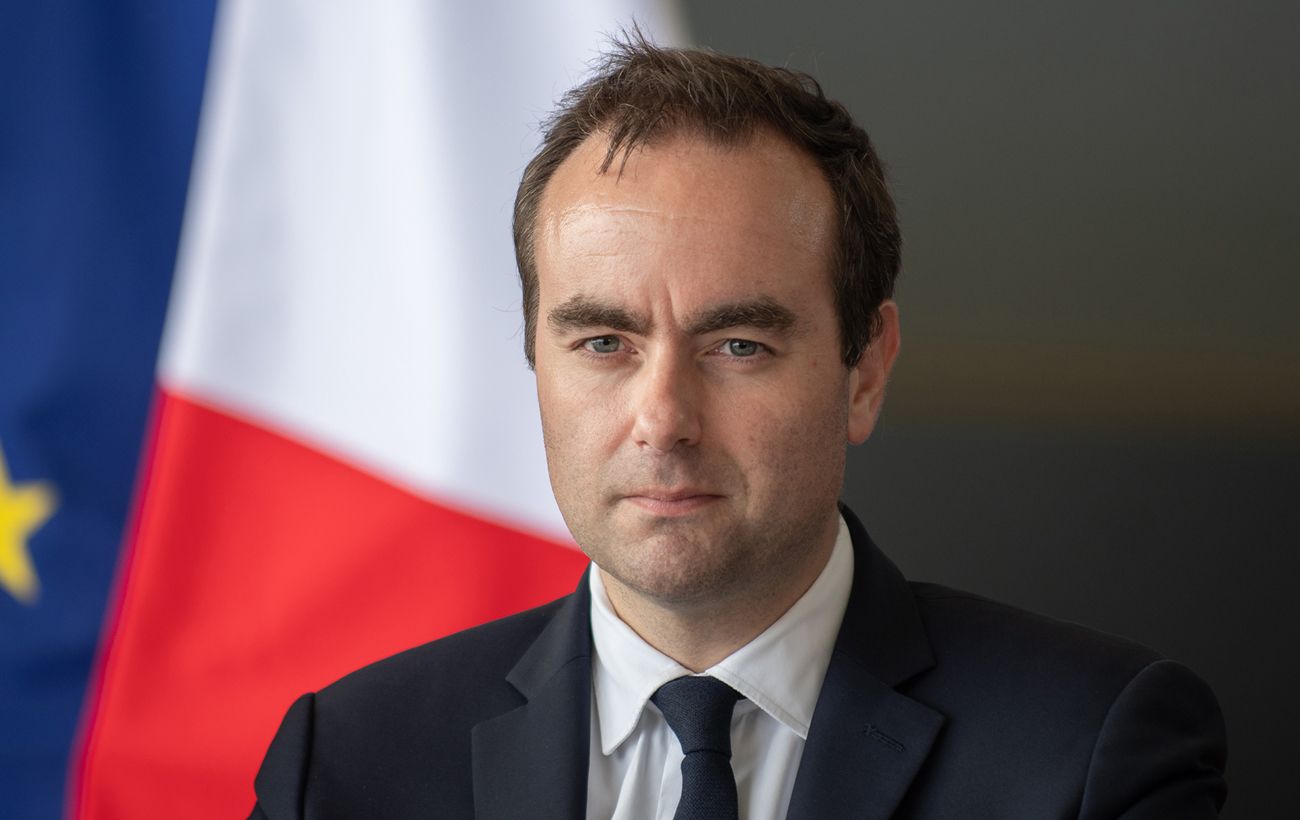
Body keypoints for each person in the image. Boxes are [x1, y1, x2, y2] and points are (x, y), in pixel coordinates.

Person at [249, 35, 1227, 819]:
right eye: (602, 342)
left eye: (738, 345)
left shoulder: (1089, 752)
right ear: (535, 359)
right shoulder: (347, 763)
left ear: (865, 370)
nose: (663, 420)